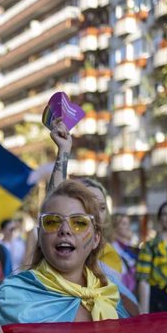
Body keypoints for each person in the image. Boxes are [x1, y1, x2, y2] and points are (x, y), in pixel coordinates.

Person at [0, 181, 167, 333]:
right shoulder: (11, 297)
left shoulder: (108, 293)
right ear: (40, 236)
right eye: (53, 222)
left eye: (79, 222)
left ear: (96, 238)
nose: (65, 230)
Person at [46, 118, 139, 317]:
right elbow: (54, 202)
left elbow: (133, 314)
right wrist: (63, 152)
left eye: (101, 207)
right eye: (86, 208)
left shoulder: (115, 257)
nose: (95, 213)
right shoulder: (61, 248)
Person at [110, 214, 139, 294]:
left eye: (128, 223)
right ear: (115, 227)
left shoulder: (130, 248)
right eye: (123, 224)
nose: (128, 227)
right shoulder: (112, 249)